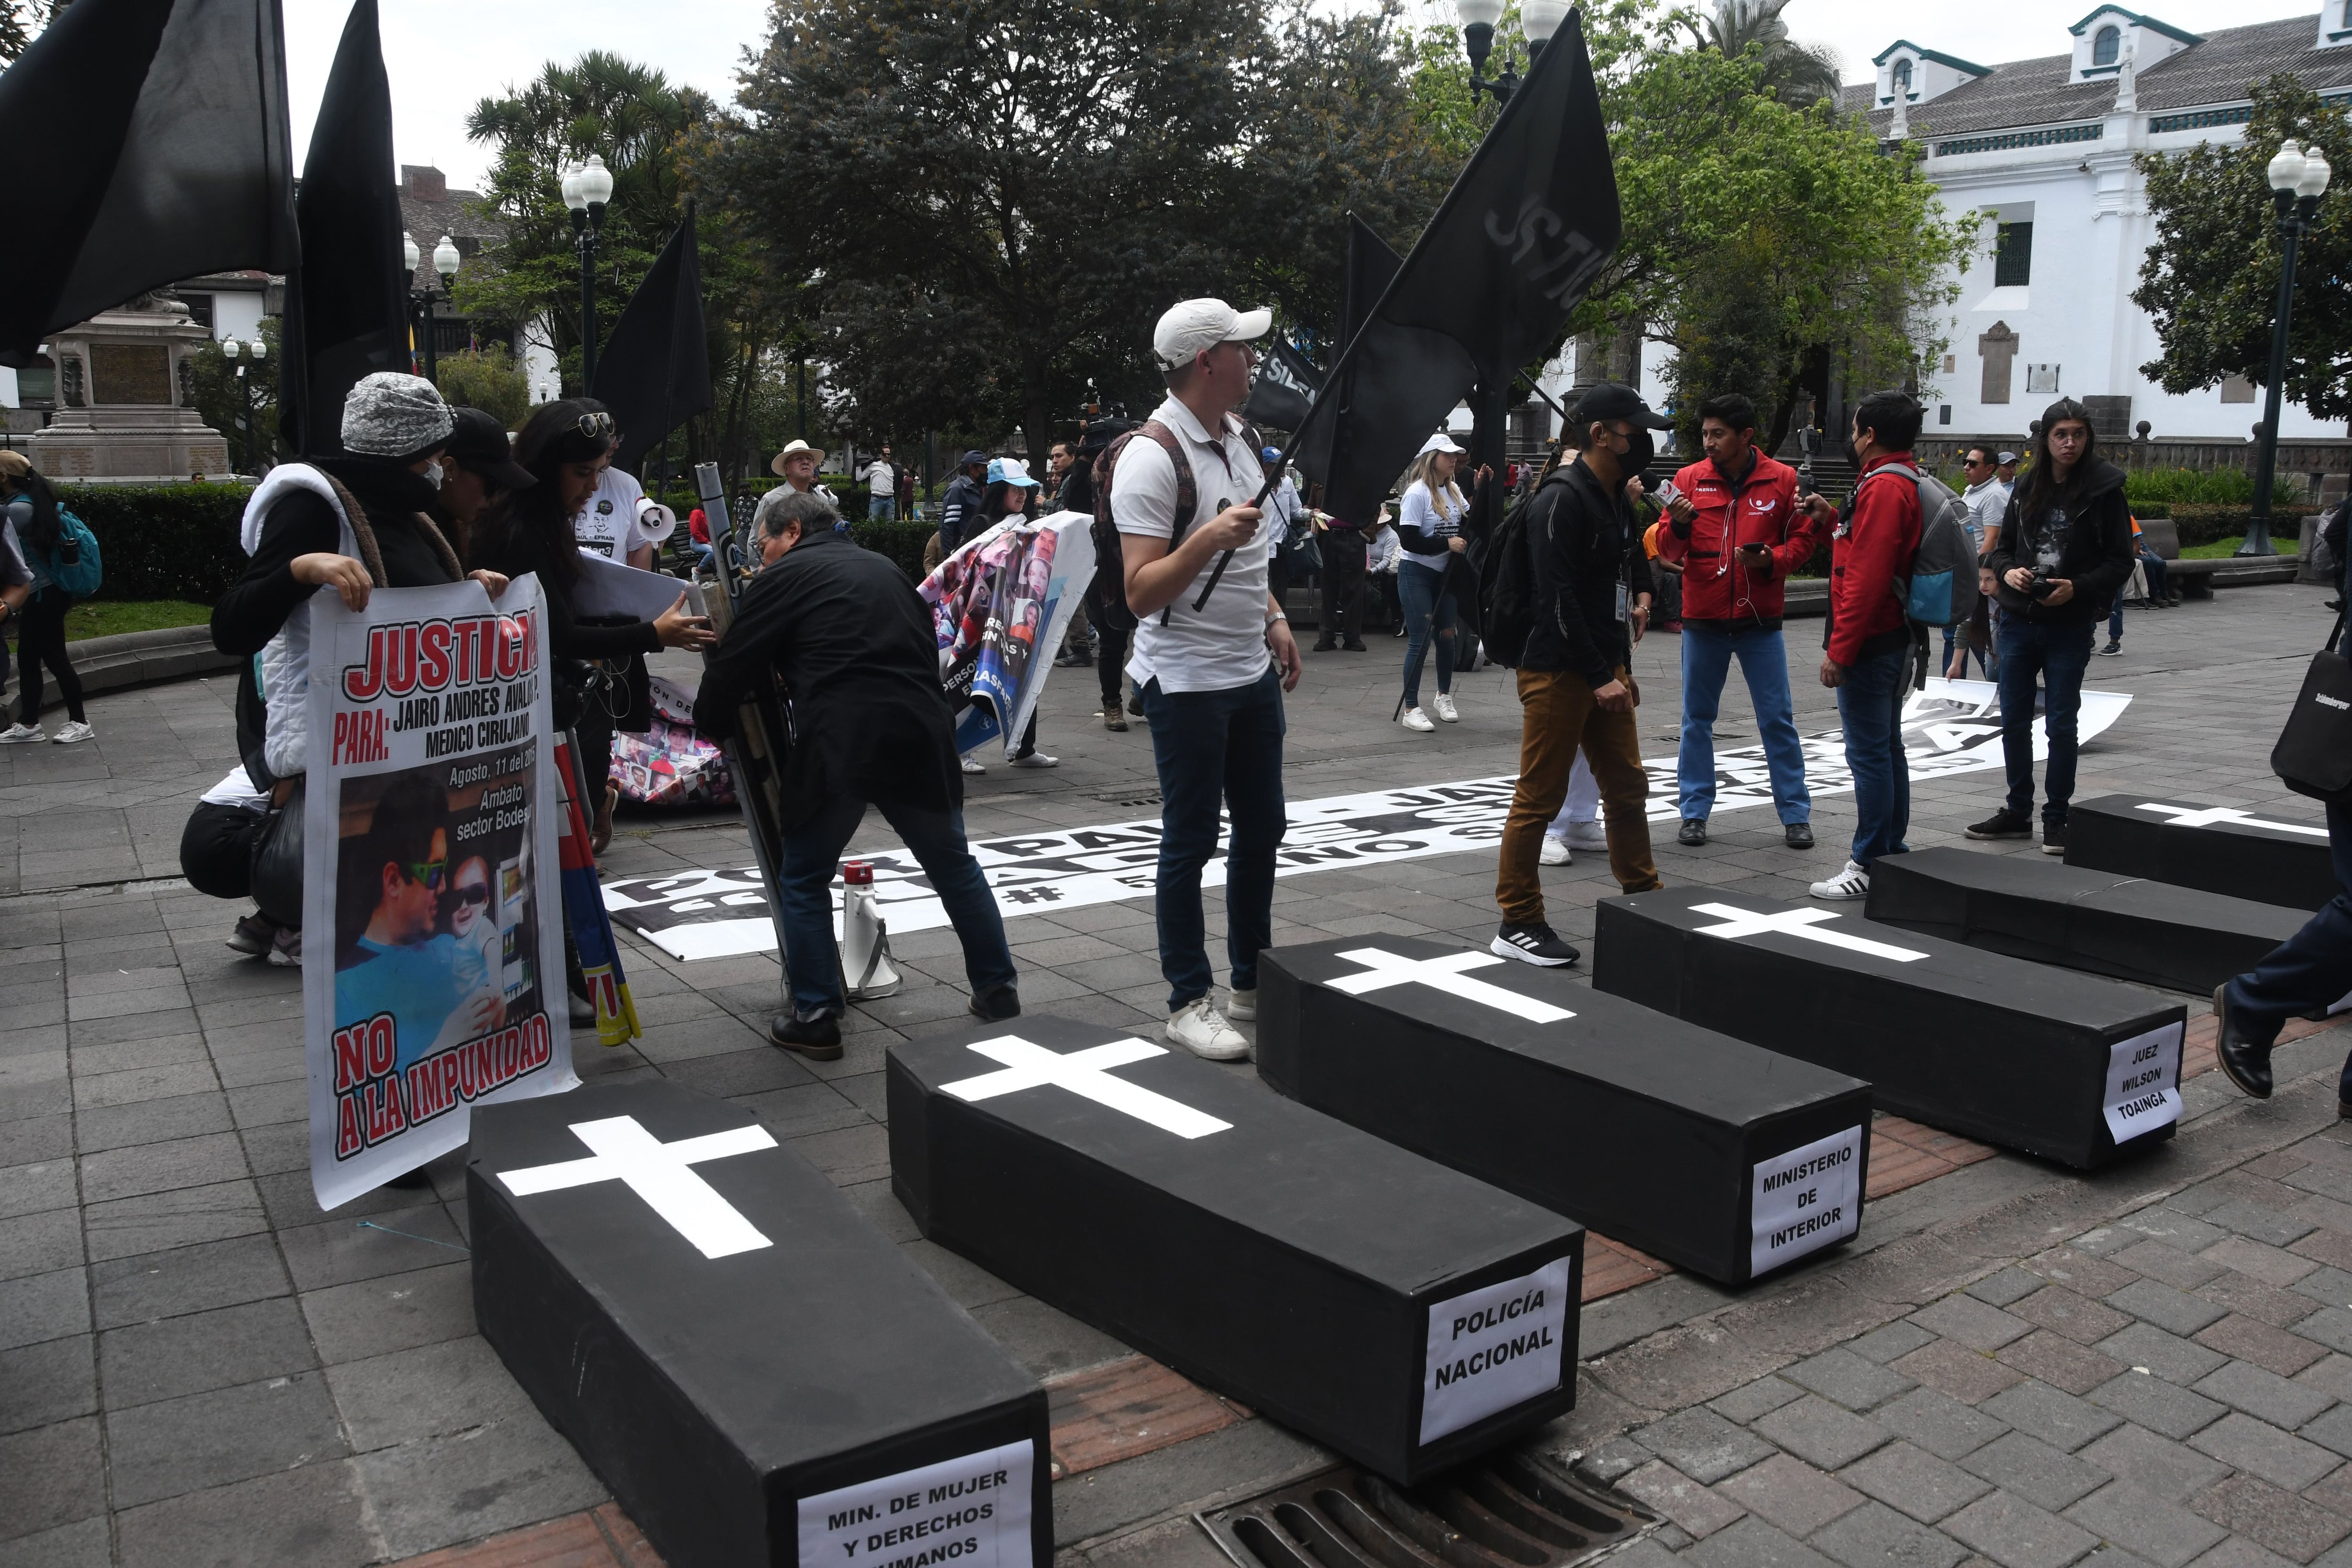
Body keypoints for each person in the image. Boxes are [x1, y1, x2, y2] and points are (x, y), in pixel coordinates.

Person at [695, 490, 1020, 1058]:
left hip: (840, 738)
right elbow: (927, 649)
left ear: (791, 530)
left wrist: (707, 721)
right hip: (919, 731)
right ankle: (998, 992)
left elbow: (734, 664)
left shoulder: (785, 577)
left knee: (803, 875)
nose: (762, 557)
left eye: (765, 543)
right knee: (953, 867)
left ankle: (817, 1013)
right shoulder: (886, 569)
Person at [210, 374, 508, 967]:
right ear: (405, 453)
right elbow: (231, 627)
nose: (439, 471)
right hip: (344, 746)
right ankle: (293, 924)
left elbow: (410, 606)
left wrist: (468, 593)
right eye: (432, 457)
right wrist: (299, 569)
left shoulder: (411, 515)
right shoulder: (312, 509)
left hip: (408, 743)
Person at [1111, 297, 1301, 1059]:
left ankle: (1250, 979)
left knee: (1264, 828)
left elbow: (1249, 558)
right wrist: (1209, 537)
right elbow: (1139, 591)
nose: (1252, 361)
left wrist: (1275, 616)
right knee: (1190, 839)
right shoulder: (1152, 456)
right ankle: (1187, 998)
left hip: (1247, 669)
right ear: (1205, 362)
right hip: (1186, 679)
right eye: (1241, 349)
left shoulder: (1242, 438)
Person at [468, 401, 717, 854]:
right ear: (546, 467)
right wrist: (654, 634)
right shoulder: (520, 530)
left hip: (564, 700)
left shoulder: (548, 523)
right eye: (583, 472)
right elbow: (559, 635)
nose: (593, 487)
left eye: (600, 471)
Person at [1493, 383, 1669, 966]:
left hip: (1601, 666)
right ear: (1600, 434)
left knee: (1625, 786)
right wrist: (1600, 674)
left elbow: (1611, 584)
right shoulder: (1561, 500)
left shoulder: (1614, 496)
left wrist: (1619, 662)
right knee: (1538, 798)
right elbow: (1556, 598)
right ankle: (1517, 920)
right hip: (1557, 670)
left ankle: (1643, 896)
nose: (1641, 440)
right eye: (1632, 429)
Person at [1653, 393, 1822, 849]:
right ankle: (1692, 812)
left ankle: (1794, 815)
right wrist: (1681, 525)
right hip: (1703, 619)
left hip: (1759, 623)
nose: (1708, 443)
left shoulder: (1781, 480)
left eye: (1717, 434)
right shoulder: (1688, 479)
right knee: (1695, 721)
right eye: (1705, 434)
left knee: (1777, 719)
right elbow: (1667, 552)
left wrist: (1771, 561)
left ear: (1745, 437)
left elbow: (1804, 543)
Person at [1968, 398, 2136, 855]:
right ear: (2045, 439)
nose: (2069, 442)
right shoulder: (2025, 486)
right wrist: (2007, 572)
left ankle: (2056, 817)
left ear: (2087, 438)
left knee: (2061, 726)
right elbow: (2001, 549)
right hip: (2019, 621)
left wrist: (2077, 588)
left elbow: (2121, 560)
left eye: (2077, 434)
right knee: (2014, 722)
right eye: (2060, 434)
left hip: (2068, 625)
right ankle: (2016, 811)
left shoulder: (2104, 489)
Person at [1805, 391, 1927, 901]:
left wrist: (1840, 650)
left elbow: (1866, 577)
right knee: (1886, 748)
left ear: (1868, 435)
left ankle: (1867, 858)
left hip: (1873, 640)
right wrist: (1830, 516)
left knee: (1869, 755)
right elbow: (1864, 546)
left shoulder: (1883, 489)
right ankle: (1888, 849)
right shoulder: (1899, 480)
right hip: (1890, 634)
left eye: (1854, 428)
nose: (1851, 437)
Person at [334, 773, 501, 1074]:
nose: (443, 888)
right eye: (434, 873)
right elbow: (368, 1107)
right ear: (394, 880)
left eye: (444, 869)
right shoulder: (344, 990)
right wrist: (443, 1047)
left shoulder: (451, 948)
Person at [0, 451, 92, 744]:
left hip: (44, 595)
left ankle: (80, 722)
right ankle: (29, 723)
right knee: (28, 660)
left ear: (3, 477)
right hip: (41, 595)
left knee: (55, 658)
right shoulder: (24, 505)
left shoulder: (18, 511)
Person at [180, 764, 278, 956]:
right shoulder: (304, 748)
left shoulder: (281, 742)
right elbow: (283, 797)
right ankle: (289, 933)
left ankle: (264, 927)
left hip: (205, 837)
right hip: (226, 840)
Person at [569, 404, 676, 569]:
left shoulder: (627, 486)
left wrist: (660, 535)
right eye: (608, 438)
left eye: (616, 437)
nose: (616, 445)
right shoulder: (555, 485)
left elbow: (638, 568)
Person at [437, 407, 536, 559]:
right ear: (450, 469)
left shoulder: (453, 530)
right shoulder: (415, 537)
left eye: (502, 486)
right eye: (492, 484)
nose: (495, 498)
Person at [1949, 446, 2009, 680]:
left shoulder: (1993, 495)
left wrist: (1978, 576)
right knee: (1965, 629)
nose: (1966, 467)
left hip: (1978, 574)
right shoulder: (1972, 492)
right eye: (1966, 461)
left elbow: (1992, 537)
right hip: (1966, 572)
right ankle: (1959, 677)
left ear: (1990, 469)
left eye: (1973, 464)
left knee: (1975, 629)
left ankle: (1996, 681)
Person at [1313, 501, 1370, 653]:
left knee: (1354, 590)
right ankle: (1326, 637)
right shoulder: (1321, 482)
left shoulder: (1362, 482)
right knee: (1327, 588)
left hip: (1354, 535)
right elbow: (1311, 506)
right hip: (1326, 536)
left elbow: (1374, 505)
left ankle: (1352, 638)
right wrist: (1312, 532)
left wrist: (1366, 531)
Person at [937, 450, 988, 553]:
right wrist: (948, 555)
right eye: (983, 468)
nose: (986, 471)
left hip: (977, 549)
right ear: (971, 468)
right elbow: (947, 526)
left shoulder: (979, 489)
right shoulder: (957, 490)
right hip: (961, 552)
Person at [861, 446, 898, 521]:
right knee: (873, 523)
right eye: (885, 454)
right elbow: (860, 478)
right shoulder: (874, 465)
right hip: (877, 499)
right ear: (881, 455)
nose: (887, 456)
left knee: (890, 524)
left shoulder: (893, 467)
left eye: (889, 454)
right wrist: (858, 465)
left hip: (890, 500)